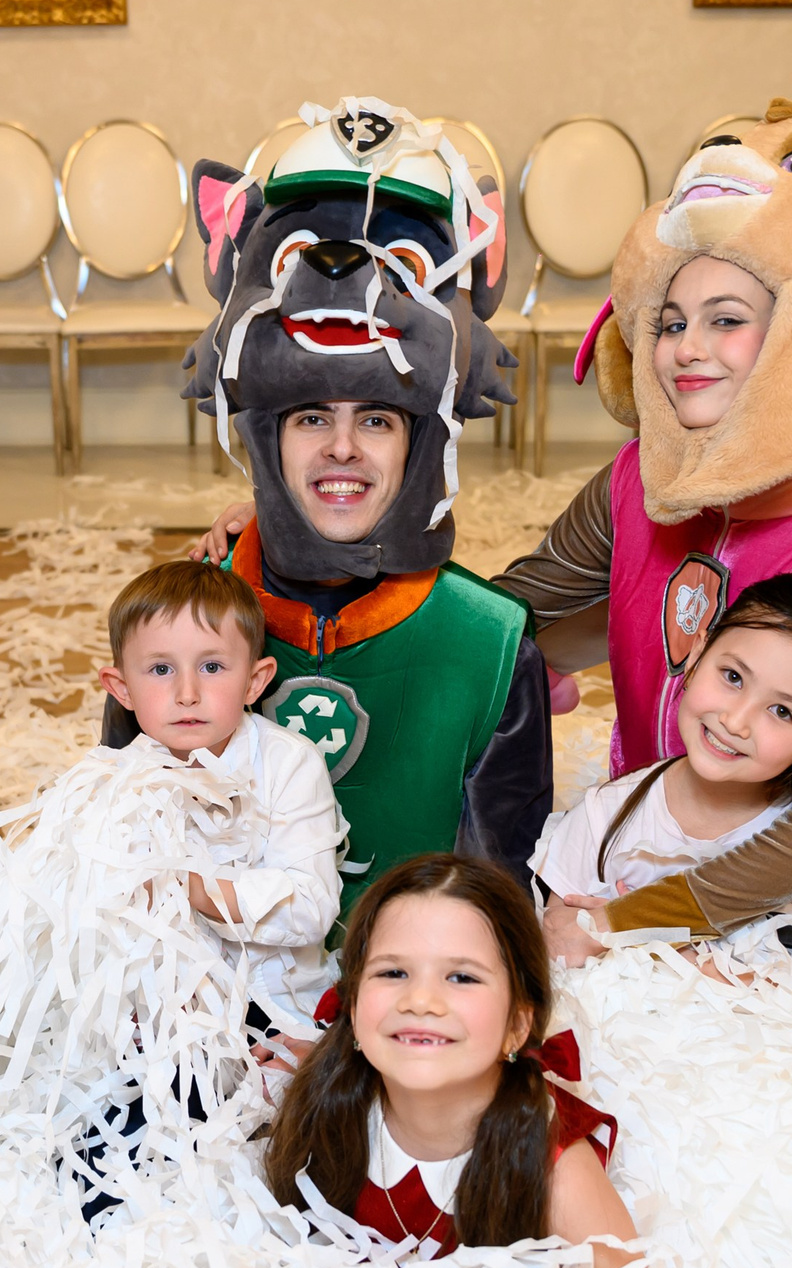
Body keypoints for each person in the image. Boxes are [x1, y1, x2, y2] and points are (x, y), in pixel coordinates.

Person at [196, 104, 792, 980]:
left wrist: (630, 918)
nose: (685, 351)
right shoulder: (638, 484)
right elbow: (505, 612)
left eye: (727, 320)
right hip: (640, 833)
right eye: (669, 322)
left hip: (783, 922)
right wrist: (298, 538)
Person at [123, 97, 550, 926]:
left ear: (425, 440)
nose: (343, 449)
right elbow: (121, 851)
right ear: (263, 437)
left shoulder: (491, 645)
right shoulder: (178, 621)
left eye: (378, 420)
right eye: (312, 417)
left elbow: (500, 895)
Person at [264, 854, 641, 1268]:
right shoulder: (324, 1111)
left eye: (461, 977)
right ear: (354, 1005)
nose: (421, 999)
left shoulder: (553, 1167)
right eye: (393, 972)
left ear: (518, 1025)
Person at [534, 575, 792, 1013]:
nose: (736, 720)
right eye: (732, 676)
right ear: (696, 656)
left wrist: (677, 964)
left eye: (781, 711)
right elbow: (560, 953)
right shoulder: (603, 817)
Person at [97, 559, 343, 1025]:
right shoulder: (116, 776)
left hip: (276, 1007)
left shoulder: (287, 763)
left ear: (254, 681)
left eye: (211, 666)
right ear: (122, 688)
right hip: (165, 1016)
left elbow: (311, 907)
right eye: (160, 669)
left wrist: (187, 887)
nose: (187, 692)